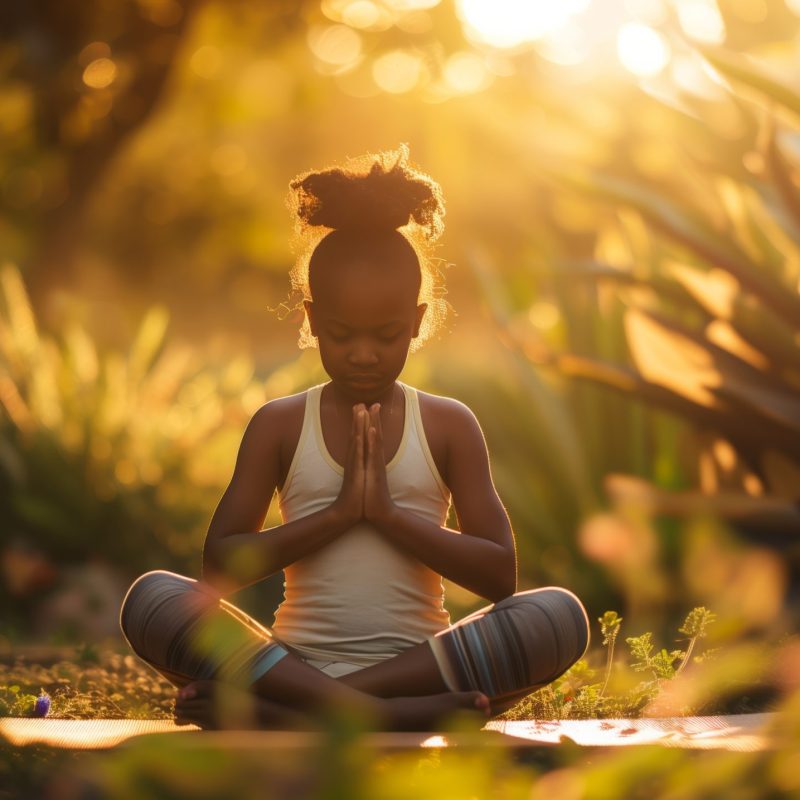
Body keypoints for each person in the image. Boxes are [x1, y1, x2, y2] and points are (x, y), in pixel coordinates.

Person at [119, 144, 590, 731]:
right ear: (311, 321)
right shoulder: (280, 424)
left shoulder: (448, 424)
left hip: (422, 671)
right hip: (293, 663)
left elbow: (499, 577)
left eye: (386, 335)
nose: (363, 354)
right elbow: (219, 567)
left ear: (417, 324)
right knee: (153, 599)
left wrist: (389, 516)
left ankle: (301, 712)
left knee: (559, 616)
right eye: (341, 334)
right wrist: (339, 516)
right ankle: (373, 715)